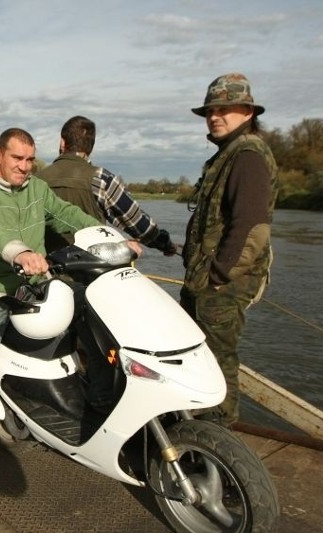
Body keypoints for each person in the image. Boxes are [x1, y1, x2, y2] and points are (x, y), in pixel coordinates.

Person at [0, 127, 142, 501]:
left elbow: (66, 215)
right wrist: (19, 252)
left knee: (89, 328)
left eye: (30, 159)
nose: (24, 166)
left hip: (33, 291)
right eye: (17, 159)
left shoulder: (36, 188)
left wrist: (113, 237)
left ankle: (90, 411)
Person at [38, 115, 179, 410]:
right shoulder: (101, 179)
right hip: (93, 282)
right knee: (102, 347)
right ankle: (101, 405)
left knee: (58, 345)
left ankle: (59, 400)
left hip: (49, 282)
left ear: (61, 142)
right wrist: (165, 244)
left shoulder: (37, 181)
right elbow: (140, 226)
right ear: (90, 147)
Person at [180, 73, 279, 427]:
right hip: (207, 280)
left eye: (225, 109)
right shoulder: (229, 153)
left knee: (217, 360)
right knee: (202, 358)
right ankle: (201, 432)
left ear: (248, 111)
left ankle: (218, 440)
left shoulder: (248, 155)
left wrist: (218, 277)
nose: (215, 116)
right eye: (210, 110)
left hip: (220, 285)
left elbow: (251, 228)